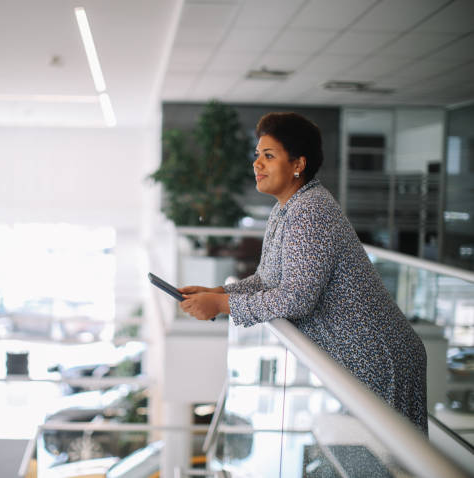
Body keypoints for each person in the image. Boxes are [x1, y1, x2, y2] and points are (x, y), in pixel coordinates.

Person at [179, 112, 428, 434]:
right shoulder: (288, 206)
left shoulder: (310, 211)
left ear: (298, 164)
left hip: (378, 358)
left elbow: (296, 299)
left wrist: (222, 306)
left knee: (396, 457)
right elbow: (268, 280)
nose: (257, 164)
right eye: (258, 155)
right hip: (357, 356)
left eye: (269, 156)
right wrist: (218, 293)